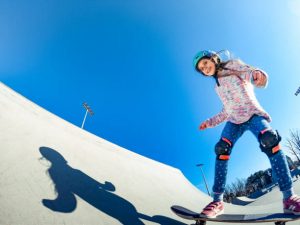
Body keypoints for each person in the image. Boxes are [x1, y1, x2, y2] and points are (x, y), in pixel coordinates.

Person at [194, 50, 300, 218]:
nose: (205, 69)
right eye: (201, 69)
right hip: (234, 121)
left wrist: (258, 74)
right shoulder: (217, 87)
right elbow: (225, 111)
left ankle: (289, 198)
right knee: (221, 149)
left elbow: (249, 71)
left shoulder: (232, 65)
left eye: (205, 64)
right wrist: (210, 122)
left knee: (270, 140)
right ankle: (217, 201)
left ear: (214, 58)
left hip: (253, 114)